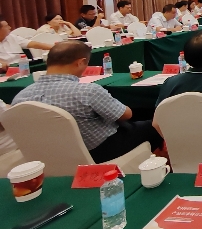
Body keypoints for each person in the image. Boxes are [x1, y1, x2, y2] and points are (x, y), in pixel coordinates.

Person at [12, 41, 162, 162]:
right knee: (155, 123)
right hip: (97, 151)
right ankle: (155, 164)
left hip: (47, 155)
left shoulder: (20, 97)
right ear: (81, 62)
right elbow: (126, 115)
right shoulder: (87, 91)